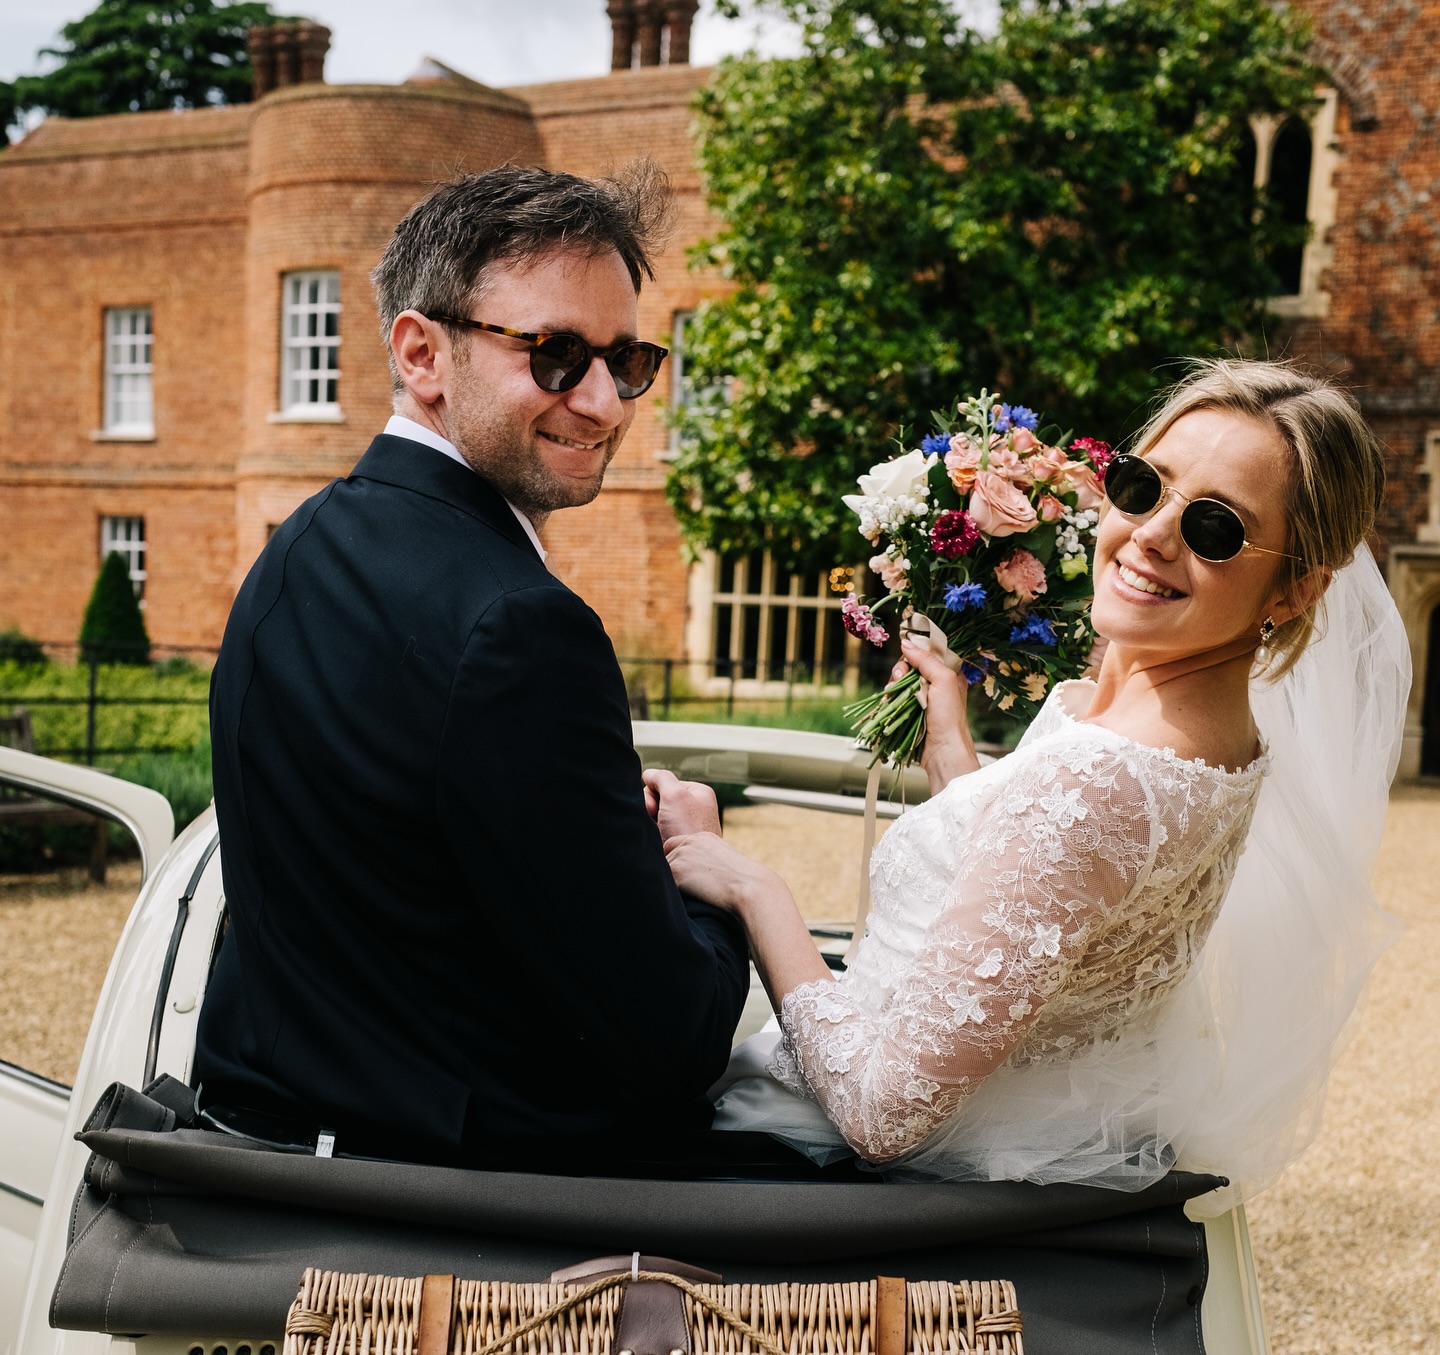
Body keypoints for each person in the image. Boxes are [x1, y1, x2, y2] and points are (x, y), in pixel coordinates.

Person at [664, 360, 1411, 1208]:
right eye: (1142, 486)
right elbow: (1046, 903)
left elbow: (883, 1112)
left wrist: (752, 889)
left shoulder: (1103, 778)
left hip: (836, 1171)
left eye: (1215, 528)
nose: (1151, 534)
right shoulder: (1209, 737)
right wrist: (953, 749)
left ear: (1297, 588)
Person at [195, 164, 751, 1171]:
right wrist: (703, 867)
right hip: (471, 1196)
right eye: (556, 354)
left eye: (626, 360)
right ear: (423, 354)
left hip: (267, 1144)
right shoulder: (522, 627)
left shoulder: (299, 545)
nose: (604, 403)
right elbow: (673, 1040)